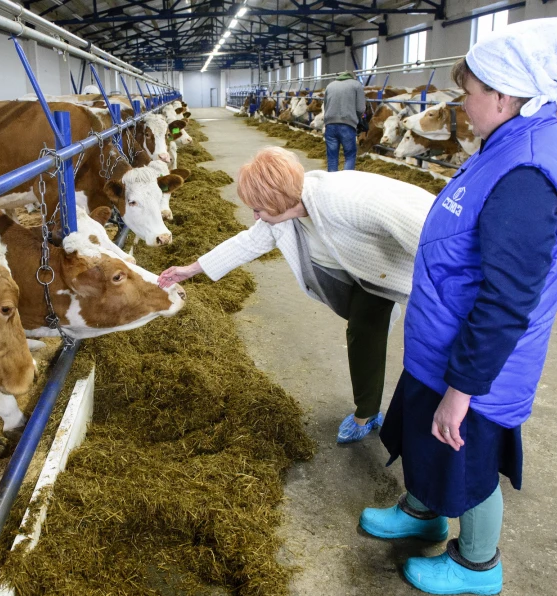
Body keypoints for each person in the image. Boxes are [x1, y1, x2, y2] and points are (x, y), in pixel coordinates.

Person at [358, 18, 557, 596]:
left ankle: (477, 564)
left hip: (476, 363)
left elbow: (509, 299)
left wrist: (463, 390)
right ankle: (423, 510)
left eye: (471, 91)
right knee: (425, 437)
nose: (463, 103)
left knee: (467, 458)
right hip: (443, 342)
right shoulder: (507, 143)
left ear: (505, 94)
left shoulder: (528, 173)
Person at [157, 146, 435, 443]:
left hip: (404, 261)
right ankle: (369, 410)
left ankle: (381, 415)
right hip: (362, 270)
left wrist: (453, 292)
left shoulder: (347, 199)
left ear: (278, 201)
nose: (254, 215)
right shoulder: (284, 214)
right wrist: (189, 270)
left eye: (258, 209)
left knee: (398, 334)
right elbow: (247, 243)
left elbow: (427, 235)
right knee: (363, 332)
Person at [322, 71, 366, 172]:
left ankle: (332, 183)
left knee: (332, 156)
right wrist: (358, 119)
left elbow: (325, 105)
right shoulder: (356, 85)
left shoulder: (330, 85)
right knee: (349, 155)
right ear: (352, 77)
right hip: (348, 124)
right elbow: (360, 108)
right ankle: (345, 183)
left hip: (330, 124)